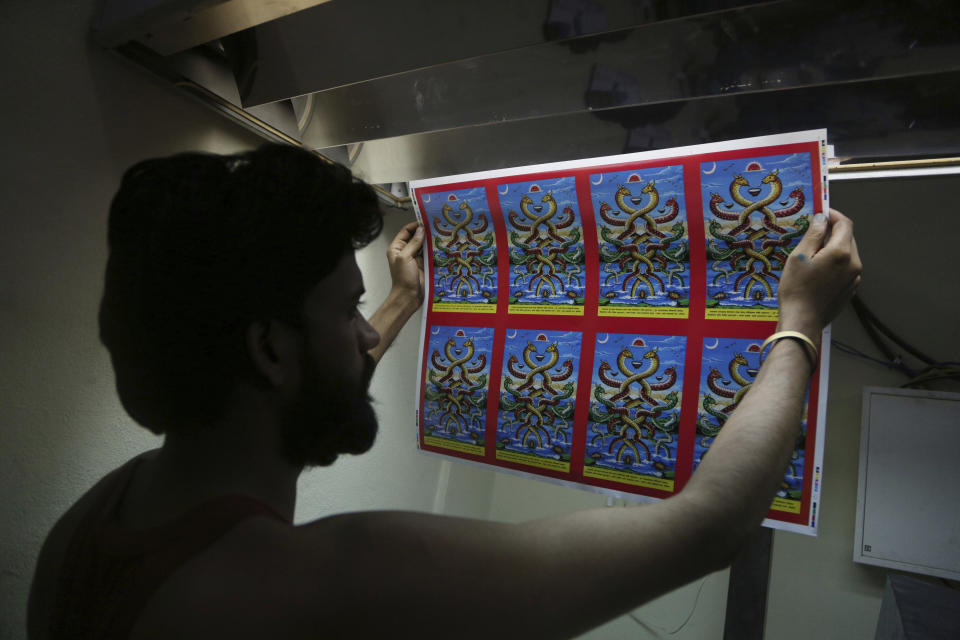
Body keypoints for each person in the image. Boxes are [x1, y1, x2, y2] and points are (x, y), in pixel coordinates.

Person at [28, 143, 861, 639]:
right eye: (345, 309)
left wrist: (396, 300)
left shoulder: (91, 527)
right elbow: (707, 528)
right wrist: (799, 323)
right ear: (268, 349)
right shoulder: (333, 582)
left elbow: (305, 384)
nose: (365, 335)